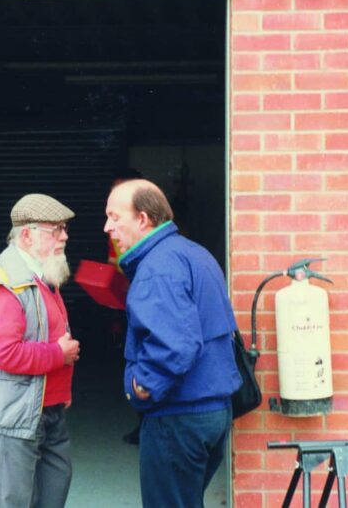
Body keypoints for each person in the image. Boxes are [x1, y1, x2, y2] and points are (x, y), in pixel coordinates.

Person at [103, 179, 243, 508]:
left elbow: (177, 346)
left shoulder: (157, 268)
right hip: (212, 412)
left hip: (179, 417)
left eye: (114, 216)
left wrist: (143, 385)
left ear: (143, 219)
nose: (108, 226)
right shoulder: (193, 253)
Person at [0, 193, 81, 508]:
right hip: (16, 415)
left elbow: (50, 333)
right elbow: (5, 355)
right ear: (28, 235)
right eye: (56, 229)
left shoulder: (43, 277)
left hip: (48, 410)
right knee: (14, 502)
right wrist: (59, 355)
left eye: (64, 229)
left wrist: (62, 387)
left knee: (53, 493)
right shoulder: (8, 286)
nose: (65, 236)